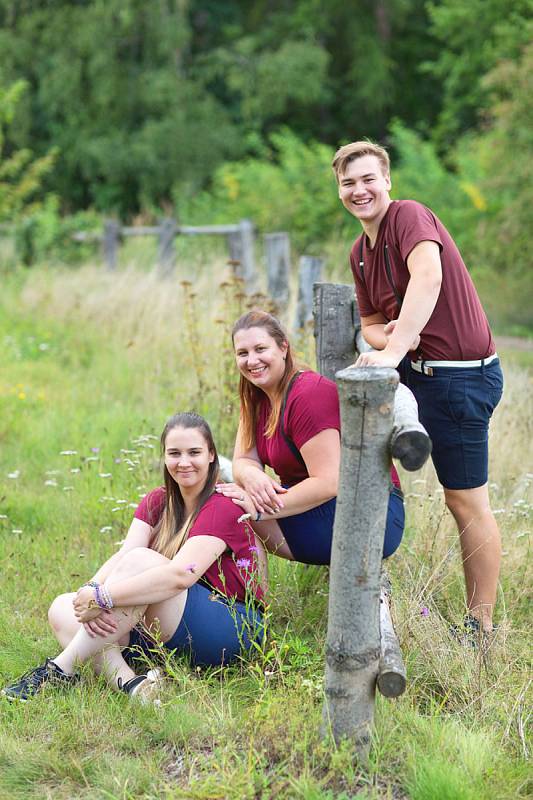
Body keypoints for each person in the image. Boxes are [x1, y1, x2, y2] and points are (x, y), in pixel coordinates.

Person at [332, 139, 504, 636]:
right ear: (339, 191)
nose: (359, 190)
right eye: (349, 183)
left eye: (368, 179)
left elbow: (427, 280)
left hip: (459, 377)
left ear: (387, 181)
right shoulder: (359, 252)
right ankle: (367, 585)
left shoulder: (409, 217)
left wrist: (392, 347)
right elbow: (369, 323)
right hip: (418, 375)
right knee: (364, 469)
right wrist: (391, 340)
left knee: (465, 501)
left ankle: (481, 626)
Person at [2, 412, 265, 703]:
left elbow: (181, 575)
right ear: (164, 457)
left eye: (194, 452)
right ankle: (134, 687)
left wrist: (101, 598)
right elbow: (123, 555)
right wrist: (88, 593)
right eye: (174, 453)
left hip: (229, 626)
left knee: (142, 562)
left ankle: (59, 670)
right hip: (165, 625)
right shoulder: (158, 501)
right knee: (62, 608)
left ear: (212, 456)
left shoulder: (222, 506)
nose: (184, 462)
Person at [216, 310, 405, 566]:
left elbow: (329, 482)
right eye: (243, 353)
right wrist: (251, 476)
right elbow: (243, 459)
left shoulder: (307, 396)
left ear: (283, 347)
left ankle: (244, 602)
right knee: (215, 499)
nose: (252, 360)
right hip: (317, 505)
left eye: (261, 349)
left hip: (368, 513)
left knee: (224, 509)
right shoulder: (256, 396)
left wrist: (259, 507)